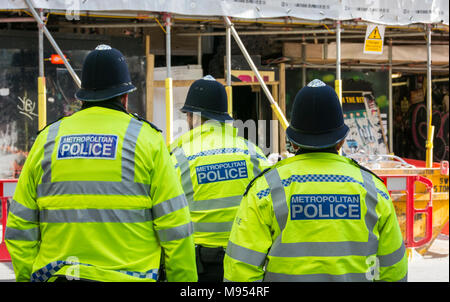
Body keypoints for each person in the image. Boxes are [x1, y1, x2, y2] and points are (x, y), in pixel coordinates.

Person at [5, 45, 197, 282]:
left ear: (82, 96)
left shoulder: (48, 140)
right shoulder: (148, 141)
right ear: (125, 97)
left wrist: (28, 277)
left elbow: (19, 227)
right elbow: (176, 228)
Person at [223, 79, 408, 282]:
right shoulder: (373, 190)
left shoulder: (265, 189)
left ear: (292, 141)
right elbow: (394, 271)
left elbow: (240, 270)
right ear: (342, 140)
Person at [169, 76, 269, 282]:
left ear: (191, 117)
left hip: (199, 268)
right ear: (224, 117)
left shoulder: (178, 157)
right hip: (246, 266)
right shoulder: (254, 154)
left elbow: (166, 217)